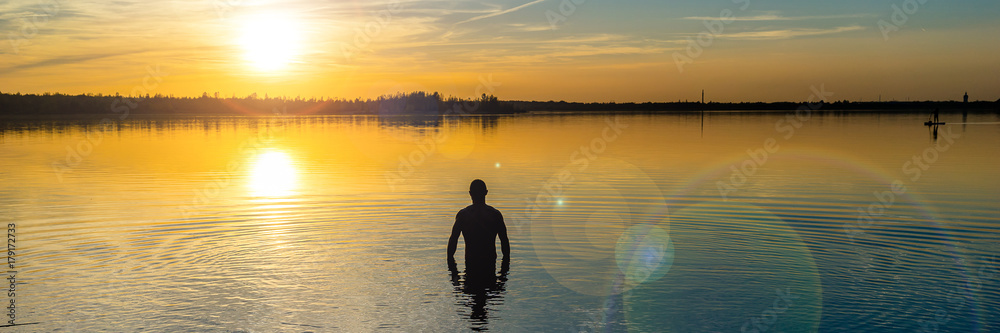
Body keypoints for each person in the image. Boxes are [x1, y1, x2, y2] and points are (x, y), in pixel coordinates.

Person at [448, 179, 510, 273]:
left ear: (470, 193)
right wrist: (504, 274)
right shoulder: (495, 215)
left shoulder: (463, 215)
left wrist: (453, 273)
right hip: (489, 266)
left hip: (471, 264)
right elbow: (504, 242)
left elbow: (453, 241)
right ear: (486, 192)